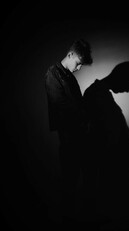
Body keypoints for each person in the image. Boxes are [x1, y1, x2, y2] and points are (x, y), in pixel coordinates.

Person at [83, 61, 129, 219]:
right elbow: (104, 140)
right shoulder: (98, 96)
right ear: (122, 77)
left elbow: (112, 134)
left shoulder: (102, 95)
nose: (128, 90)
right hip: (108, 180)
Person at [45, 39, 93, 217]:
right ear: (70, 54)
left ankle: (83, 217)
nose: (78, 69)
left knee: (85, 175)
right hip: (68, 137)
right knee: (70, 179)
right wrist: (82, 116)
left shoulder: (69, 76)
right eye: (78, 64)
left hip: (79, 134)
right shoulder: (52, 74)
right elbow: (61, 105)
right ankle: (68, 220)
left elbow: (78, 104)